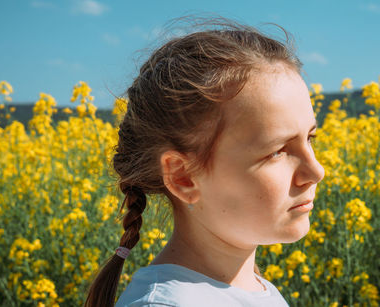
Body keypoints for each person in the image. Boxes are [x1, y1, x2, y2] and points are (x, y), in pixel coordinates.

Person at [85, 18, 325, 307]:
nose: (316, 171)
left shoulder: (256, 291)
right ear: (183, 177)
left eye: (310, 138)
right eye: (277, 151)